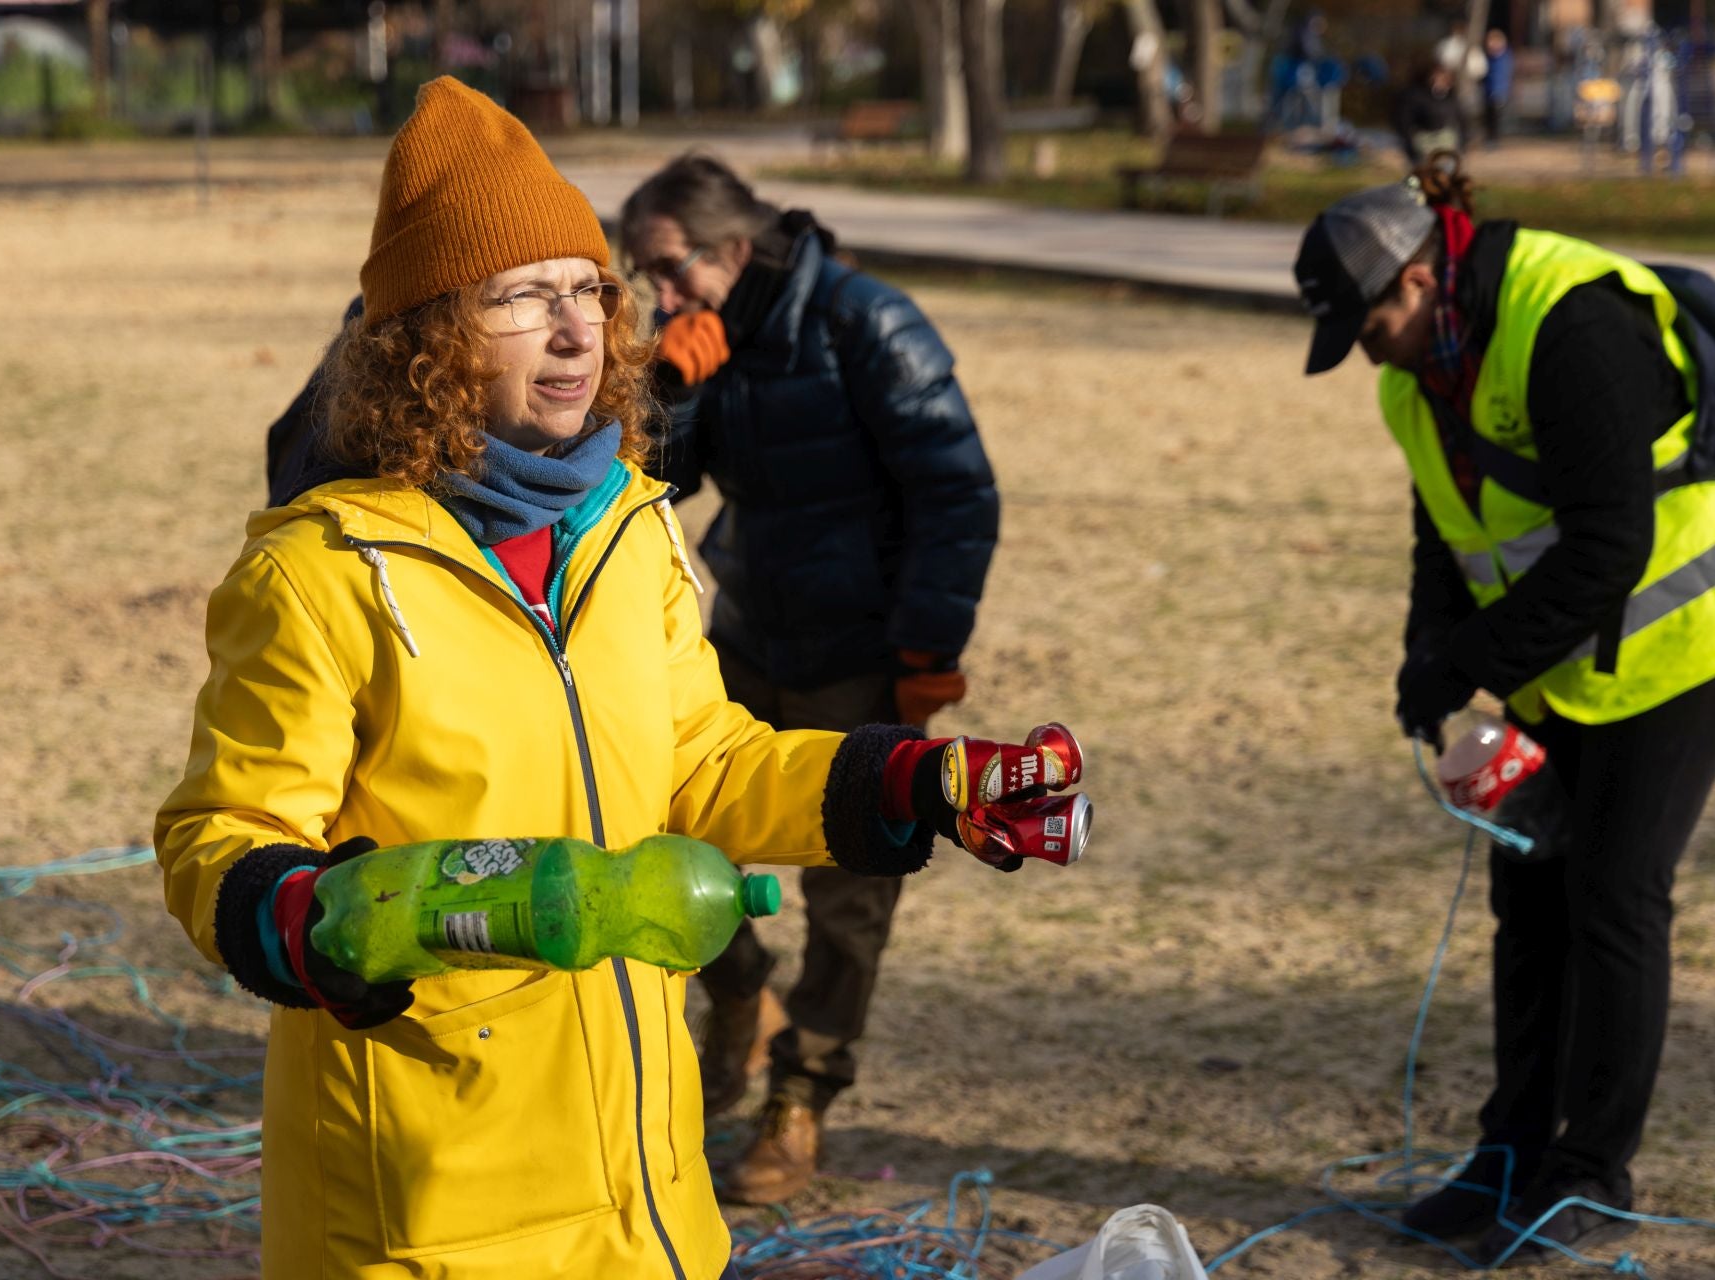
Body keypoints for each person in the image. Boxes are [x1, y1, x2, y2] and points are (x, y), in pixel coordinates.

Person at [156, 78, 1074, 1280]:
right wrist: (310, 922)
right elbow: (219, 835)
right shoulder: (322, 572)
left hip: (641, 1194)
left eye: (588, 288)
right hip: (428, 1206)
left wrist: (916, 781)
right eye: (523, 296)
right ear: (428, 338)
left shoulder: (629, 524)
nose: (580, 327)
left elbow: (703, 761)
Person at [1292, 162, 1715, 1266]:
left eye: (1370, 321)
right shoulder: (1413, 377)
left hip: (1684, 637)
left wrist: (1471, 663)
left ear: (1423, 273)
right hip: (1561, 658)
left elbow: (1609, 545)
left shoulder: (1571, 323)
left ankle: (1591, 1174)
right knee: (1527, 899)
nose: (1367, 349)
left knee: (1614, 896)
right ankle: (1509, 1152)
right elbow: (1442, 534)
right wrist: (1423, 657)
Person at [617, 154, 1000, 1205]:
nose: (660, 296)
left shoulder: (868, 322)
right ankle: (739, 986)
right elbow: (644, 483)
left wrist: (925, 653)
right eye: (644, 278)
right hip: (744, 637)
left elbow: (957, 491)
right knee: (662, 829)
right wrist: (669, 386)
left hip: (861, 654)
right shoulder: (709, 334)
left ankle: (802, 1093)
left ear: (731, 248)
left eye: (669, 271)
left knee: (850, 893)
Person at [1395, 56, 1466, 165]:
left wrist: (1463, 143)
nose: (1439, 80)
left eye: (1444, 77)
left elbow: (1462, 121)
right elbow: (1404, 122)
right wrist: (1410, 145)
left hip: (1446, 141)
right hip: (1422, 141)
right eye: (1437, 76)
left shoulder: (1452, 98)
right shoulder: (1415, 96)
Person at [1482, 29, 1514, 146]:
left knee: (1496, 117)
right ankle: (1490, 138)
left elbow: (1506, 75)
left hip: (1499, 91)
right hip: (1488, 91)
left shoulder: (1504, 57)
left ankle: (1495, 139)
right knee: (1488, 116)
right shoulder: (1487, 57)